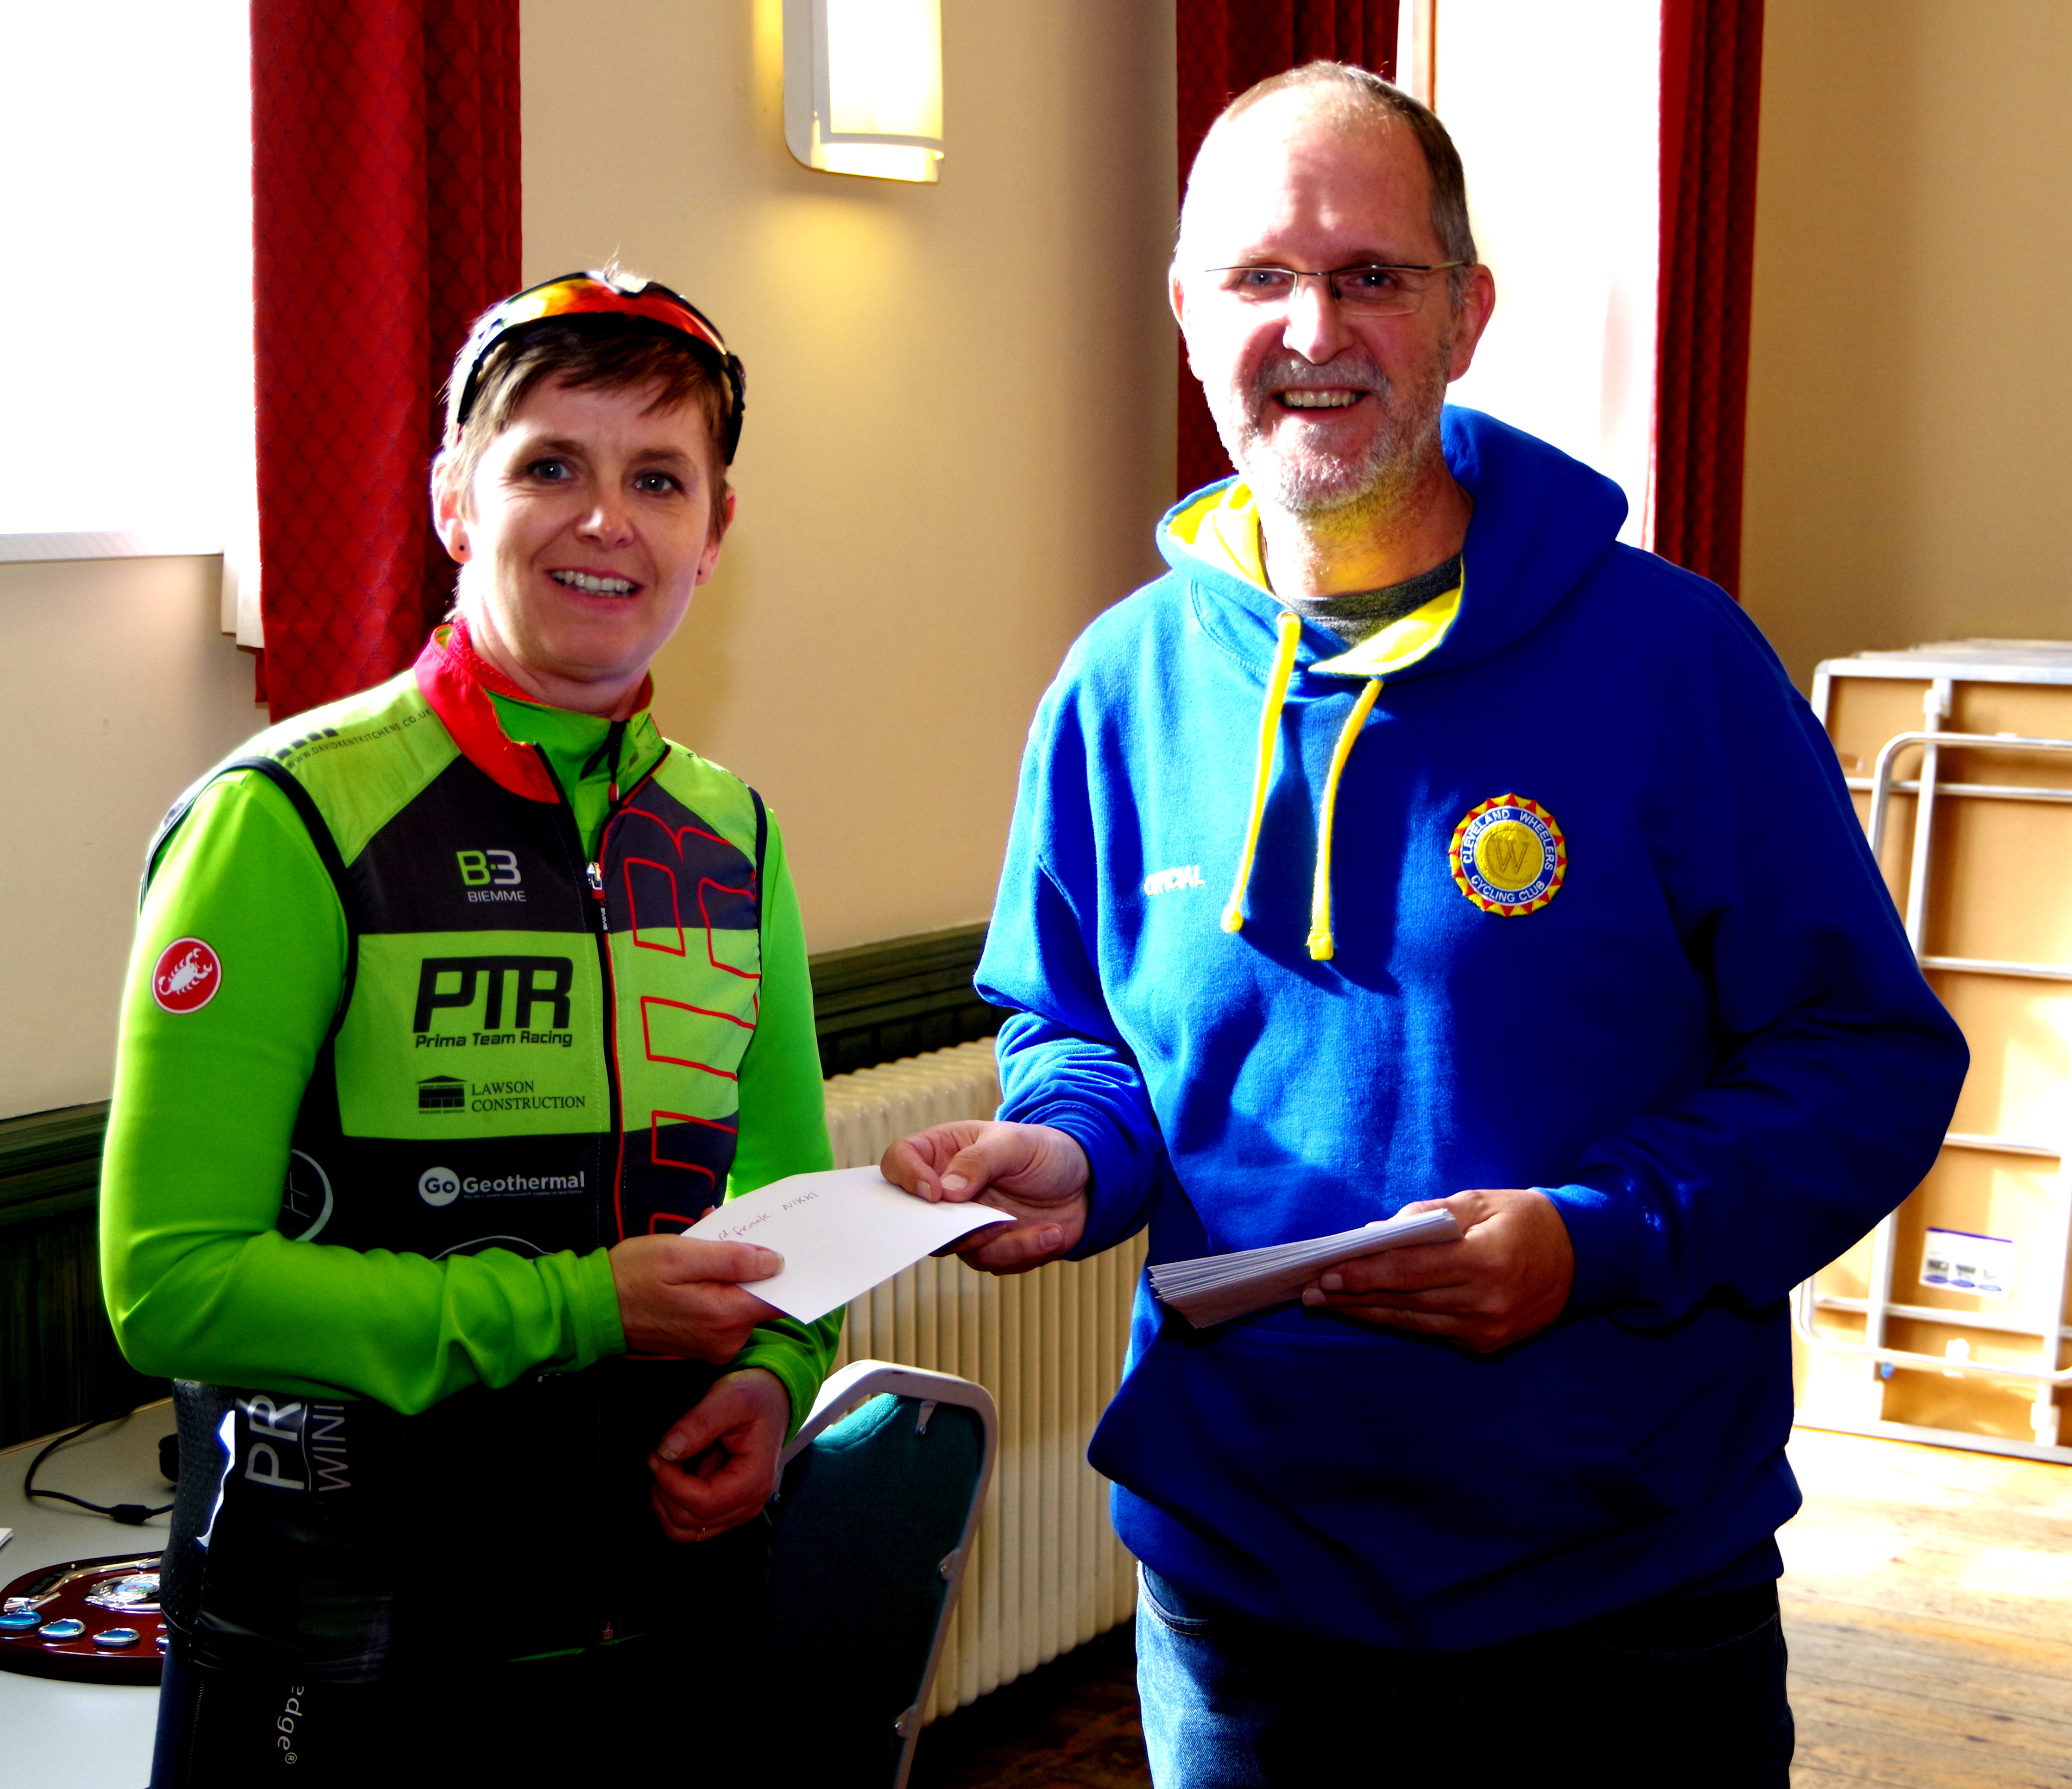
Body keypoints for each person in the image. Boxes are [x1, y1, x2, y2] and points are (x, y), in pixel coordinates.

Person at [883, 65, 1967, 1787]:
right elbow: (1080, 1027)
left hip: (1618, 1600)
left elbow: (1867, 1062)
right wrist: (1073, 1150)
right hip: (1238, 1601)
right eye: (1260, 276)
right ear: (1188, 313)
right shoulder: (1117, 685)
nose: (1314, 329)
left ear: (1468, 313)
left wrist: (1596, 1239)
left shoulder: (1673, 663)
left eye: (1372, 275)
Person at [101, 271, 836, 1784]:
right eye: (550, 465)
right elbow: (171, 1286)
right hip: (344, 1655)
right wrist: (582, 1309)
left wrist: (776, 1376)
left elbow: (789, 1210)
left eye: (658, 479)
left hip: (665, 1632)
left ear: (716, 528)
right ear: (455, 500)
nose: (606, 520)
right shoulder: (284, 819)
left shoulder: (734, 835)